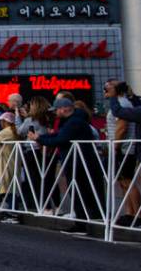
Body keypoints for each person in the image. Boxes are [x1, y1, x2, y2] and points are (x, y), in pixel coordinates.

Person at [31, 96, 101, 231]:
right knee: (79, 190)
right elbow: (59, 136)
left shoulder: (73, 122)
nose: (55, 113)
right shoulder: (72, 121)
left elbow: (61, 139)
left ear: (64, 109)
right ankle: (84, 220)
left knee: (80, 191)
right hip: (77, 160)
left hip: (79, 161)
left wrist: (40, 138)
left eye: (56, 110)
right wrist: (41, 138)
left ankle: (83, 222)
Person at [105, 80, 141, 223]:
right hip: (123, 147)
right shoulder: (121, 102)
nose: (105, 91)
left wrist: (116, 147)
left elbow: (122, 126)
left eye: (108, 87)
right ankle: (130, 212)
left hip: (125, 148)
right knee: (123, 182)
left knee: (127, 181)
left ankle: (137, 214)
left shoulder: (122, 103)